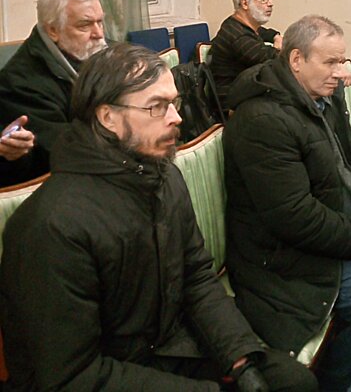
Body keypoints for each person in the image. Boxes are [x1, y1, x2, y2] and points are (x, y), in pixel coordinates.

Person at [0, 43, 316, 392]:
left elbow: (196, 276)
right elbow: (70, 375)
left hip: (164, 346)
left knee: (291, 382)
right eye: (157, 107)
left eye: (174, 103)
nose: (176, 118)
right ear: (107, 118)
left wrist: (240, 358)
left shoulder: (162, 176)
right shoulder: (51, 226)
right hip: (102, 372)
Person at [224, 15, 351, 392]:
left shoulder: (325, 99)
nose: (341, 72)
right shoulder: (263, 119)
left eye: (342, 61)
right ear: (296, 60)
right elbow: (292, 218)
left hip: (336, 229)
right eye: (330, 62)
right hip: (283, 257)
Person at [0, 0, 106, 185]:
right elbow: (68, 148)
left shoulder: (91, 50)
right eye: (85, 25)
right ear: (53, 31)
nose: (99, 33)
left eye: (100, 22)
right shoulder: (20, 84)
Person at [210, 0, 282, 111]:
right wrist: (279, 49)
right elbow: (273, 60)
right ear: (245, 3)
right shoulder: (238, 35)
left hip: (246, 96)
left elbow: (263, 32)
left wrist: (275, 36)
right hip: (233, 107)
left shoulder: (238, 24)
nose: (270, 3)